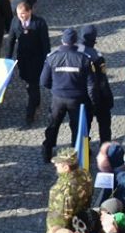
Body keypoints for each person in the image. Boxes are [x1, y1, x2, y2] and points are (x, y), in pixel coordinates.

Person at [40, 28, 95, 162]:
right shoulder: (84, 59)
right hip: (77, 99)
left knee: (53, 125)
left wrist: (56, 89)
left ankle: (47, 150)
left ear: (62, 40)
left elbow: (44, 81)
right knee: (77, 127)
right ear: (75, 41)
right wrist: (92, 101)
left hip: (58, 98)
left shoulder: (52, 57)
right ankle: (76, 154)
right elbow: (91, 84)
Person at [2, 0, 50, 124]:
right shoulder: (15, 22)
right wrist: (8, 59)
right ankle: (36, 99)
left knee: (32, 84)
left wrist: (47, 60)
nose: (21, 16)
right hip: (22, 59)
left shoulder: (39, 23)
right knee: (29, 82)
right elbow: (11, 40)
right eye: (19, 14)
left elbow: (45, 43)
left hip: (36, 59)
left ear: (30, 11)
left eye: (23, 14)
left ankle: (30, 112)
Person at [46, 150, 93, 233]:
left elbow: (58, 220)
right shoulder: (85, 174)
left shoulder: (60, 190)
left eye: (59, 163)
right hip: (81, 221)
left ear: (66, 167)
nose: (55, 165)